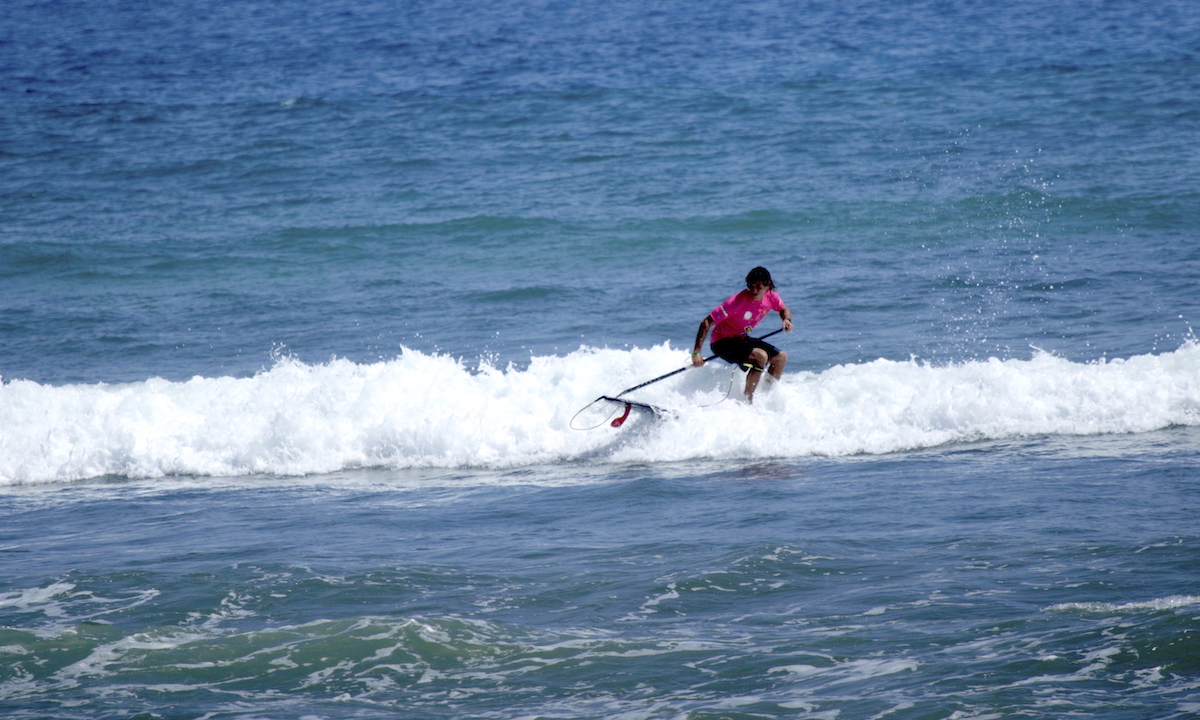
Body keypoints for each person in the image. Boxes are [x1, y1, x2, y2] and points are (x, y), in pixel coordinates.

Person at [691, 266, 793, 403]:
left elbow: (783, 309)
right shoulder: (736, 301)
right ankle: (747, 401)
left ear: (767, 285)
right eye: (751, 286)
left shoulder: (771, 297)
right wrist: (697, 354)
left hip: (741, 339)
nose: (754, 290)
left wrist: (786, 320)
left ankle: (765, 397)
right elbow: (706, 323)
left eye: (758, 286)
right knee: (761, 356)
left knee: (781, 358)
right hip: (722, 342)